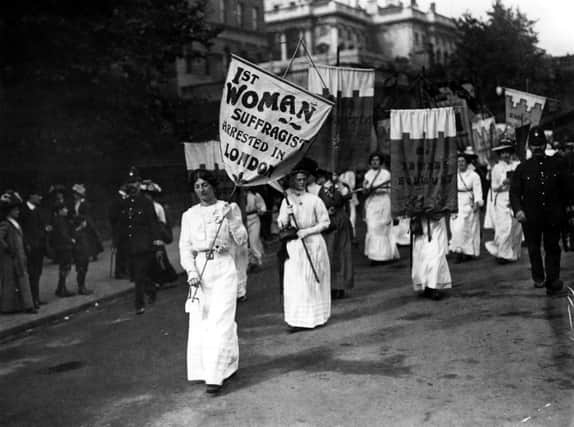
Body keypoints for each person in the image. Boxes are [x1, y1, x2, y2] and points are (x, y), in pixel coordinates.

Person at [179, 170, 248, 394]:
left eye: (205, 185)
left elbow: (241, 240)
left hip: (223, 268)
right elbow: (185, 248)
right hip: (201, 270)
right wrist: (191, 272)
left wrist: (231, 219)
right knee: (203, 322)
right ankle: (226, 363)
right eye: (198, 186)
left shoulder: (229, 208)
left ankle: (215, 376)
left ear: (213, 186)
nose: (202, 190)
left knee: (222, 319)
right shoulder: (189, 215)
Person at [510, 126, 572, 295]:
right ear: (530, 147)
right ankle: (539, 276)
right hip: (531, 217)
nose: (537, 148)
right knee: (534, 248)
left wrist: (568, 209)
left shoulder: (556, 164)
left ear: (545, 145)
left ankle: (553, 280)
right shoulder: (522, 169)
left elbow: (567, 189)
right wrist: (518, 210)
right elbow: (514, 192)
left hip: (553, 214)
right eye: (534, 145)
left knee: (553, 247)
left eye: (540, 145)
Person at [277, 166, 331, 330]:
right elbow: (281, 224)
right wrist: (286, 213)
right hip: (295, 247)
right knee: (296, 282)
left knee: (311, 280)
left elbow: (325, 222)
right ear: (292, 180)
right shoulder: (286, 200)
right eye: (297, 179)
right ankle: (297, 320)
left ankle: (314, 318)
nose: (300, 183)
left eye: (303, 179)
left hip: (313, 243)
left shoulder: (314, 200)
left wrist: (308, 231)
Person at [117, 167, 164, 314]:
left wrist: (157, 244)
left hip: (144, 245)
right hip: (130, 246)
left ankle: (139, 304)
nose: (132, 186)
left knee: (138, 276)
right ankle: (151, 288)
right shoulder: (125, 203)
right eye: (130, 183)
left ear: (139, 184)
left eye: (135, 182)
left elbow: (153, 224)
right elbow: (121, 222)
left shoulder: (146, 202)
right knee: (136, 275)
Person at [484, 141, 522, 264]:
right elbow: (494, 186)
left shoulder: (516, 165)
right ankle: (502, 253)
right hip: (502, 198)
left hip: (515, 196)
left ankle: (513, 252)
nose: (506, 155)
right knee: (504, 226)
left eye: (508, 152)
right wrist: (503, 183)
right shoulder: (496, 168)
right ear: (500, 155)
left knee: (515, 226)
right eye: (503, 153)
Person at [0, 191, 37, 314]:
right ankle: (10, 307)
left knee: (21, 279)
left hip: (19, 256)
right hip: (11, 258)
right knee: (11, 282)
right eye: (15, 210)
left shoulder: (15, 223)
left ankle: (26, 305)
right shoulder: (6, 224)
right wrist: (7, 248)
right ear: (10, 211)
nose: (18, 212)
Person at [319, 174, 354, 299]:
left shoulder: (341, 186)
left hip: (340, 221)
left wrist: (340, 185)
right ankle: (331, 287)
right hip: (328, 223)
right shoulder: (318, 189)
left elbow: (348, 198)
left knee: (343, 253)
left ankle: (341, 286)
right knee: (330, 254)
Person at [362, 153, 399, 264]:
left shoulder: (386, 174)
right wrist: (367, 189)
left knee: (383, 229)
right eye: (373, 160)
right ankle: (374, 255)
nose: (375, 162)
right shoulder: (367, 174)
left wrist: (374, 188)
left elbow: (387, 188)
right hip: (372, 203)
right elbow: (365, 188)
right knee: (372, 227)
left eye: (377, 160)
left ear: (380, 162)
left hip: (383, 202)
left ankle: (384, 255)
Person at [140, 180, 178, 287]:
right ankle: (153, 280)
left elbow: (163, 223)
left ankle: (165, 279)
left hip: (156, 235)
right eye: (145, 194)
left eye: (149, 195)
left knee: (160, 257)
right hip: (145, 237)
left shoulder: (157, 207)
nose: (147, 197)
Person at [449, 151, 484, 262]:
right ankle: (459, 251)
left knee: (469, 229)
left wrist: (477, 202)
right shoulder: (453, 175)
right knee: (457, 228)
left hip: (469, 203)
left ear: (467, 162)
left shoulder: (474, 176)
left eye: (463, 161)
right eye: (458, 161)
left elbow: (478, 190)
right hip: (456, 203)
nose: (460, 163)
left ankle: (468, 252)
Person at [411, 214, 452, 300]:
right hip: (421, 222)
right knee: (422, 254)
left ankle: (433, 285)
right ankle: (426, 285)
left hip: (435, 221)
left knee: (435, 253)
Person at [20, 190, 50, 308]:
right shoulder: (24, 211)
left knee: (37, 273)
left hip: (39, 246)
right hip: (31, 247)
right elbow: (24, 230)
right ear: (31, 196)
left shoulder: (37, 210)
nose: (40, 197)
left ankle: (36, 297)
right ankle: (32, 299)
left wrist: (45, 229)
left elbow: (39, 226)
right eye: (38, 195)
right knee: (32, 273)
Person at [50, 202, 77, 298]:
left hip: (61, 247)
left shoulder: (59, 219)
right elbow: (63, 233)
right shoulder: (60, 220)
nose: (67, 210)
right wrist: (71, 240)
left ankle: (61, 288)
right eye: (64, 209)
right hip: (64, 247)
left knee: (64, 267)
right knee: (65, 267)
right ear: (60, 211)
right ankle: (61, 288)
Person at [71, 184, 103, 261]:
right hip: (78, 221)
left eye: (76, 194)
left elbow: (86, 213)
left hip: (86, 221)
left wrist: (80, 217)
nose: (74, 196)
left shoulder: (84, 203)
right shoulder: (76, 203)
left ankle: (93, 254)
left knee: (89, 238)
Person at [245, 188, 267, 269]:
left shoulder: (254, 195)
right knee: (245, 243)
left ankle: (258, 259)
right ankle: (250, 261)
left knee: (253, 241)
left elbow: (262, 206)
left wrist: (261, 210)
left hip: (254, 219)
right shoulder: (238, 196)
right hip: (242, 221)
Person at [338, 168, 359, 241]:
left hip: (351, 199)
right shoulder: (340, 175)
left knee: (352, 217)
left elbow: (352, 185)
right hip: (343, 198)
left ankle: (353, 235)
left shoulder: (351, 173)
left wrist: (342, 182)